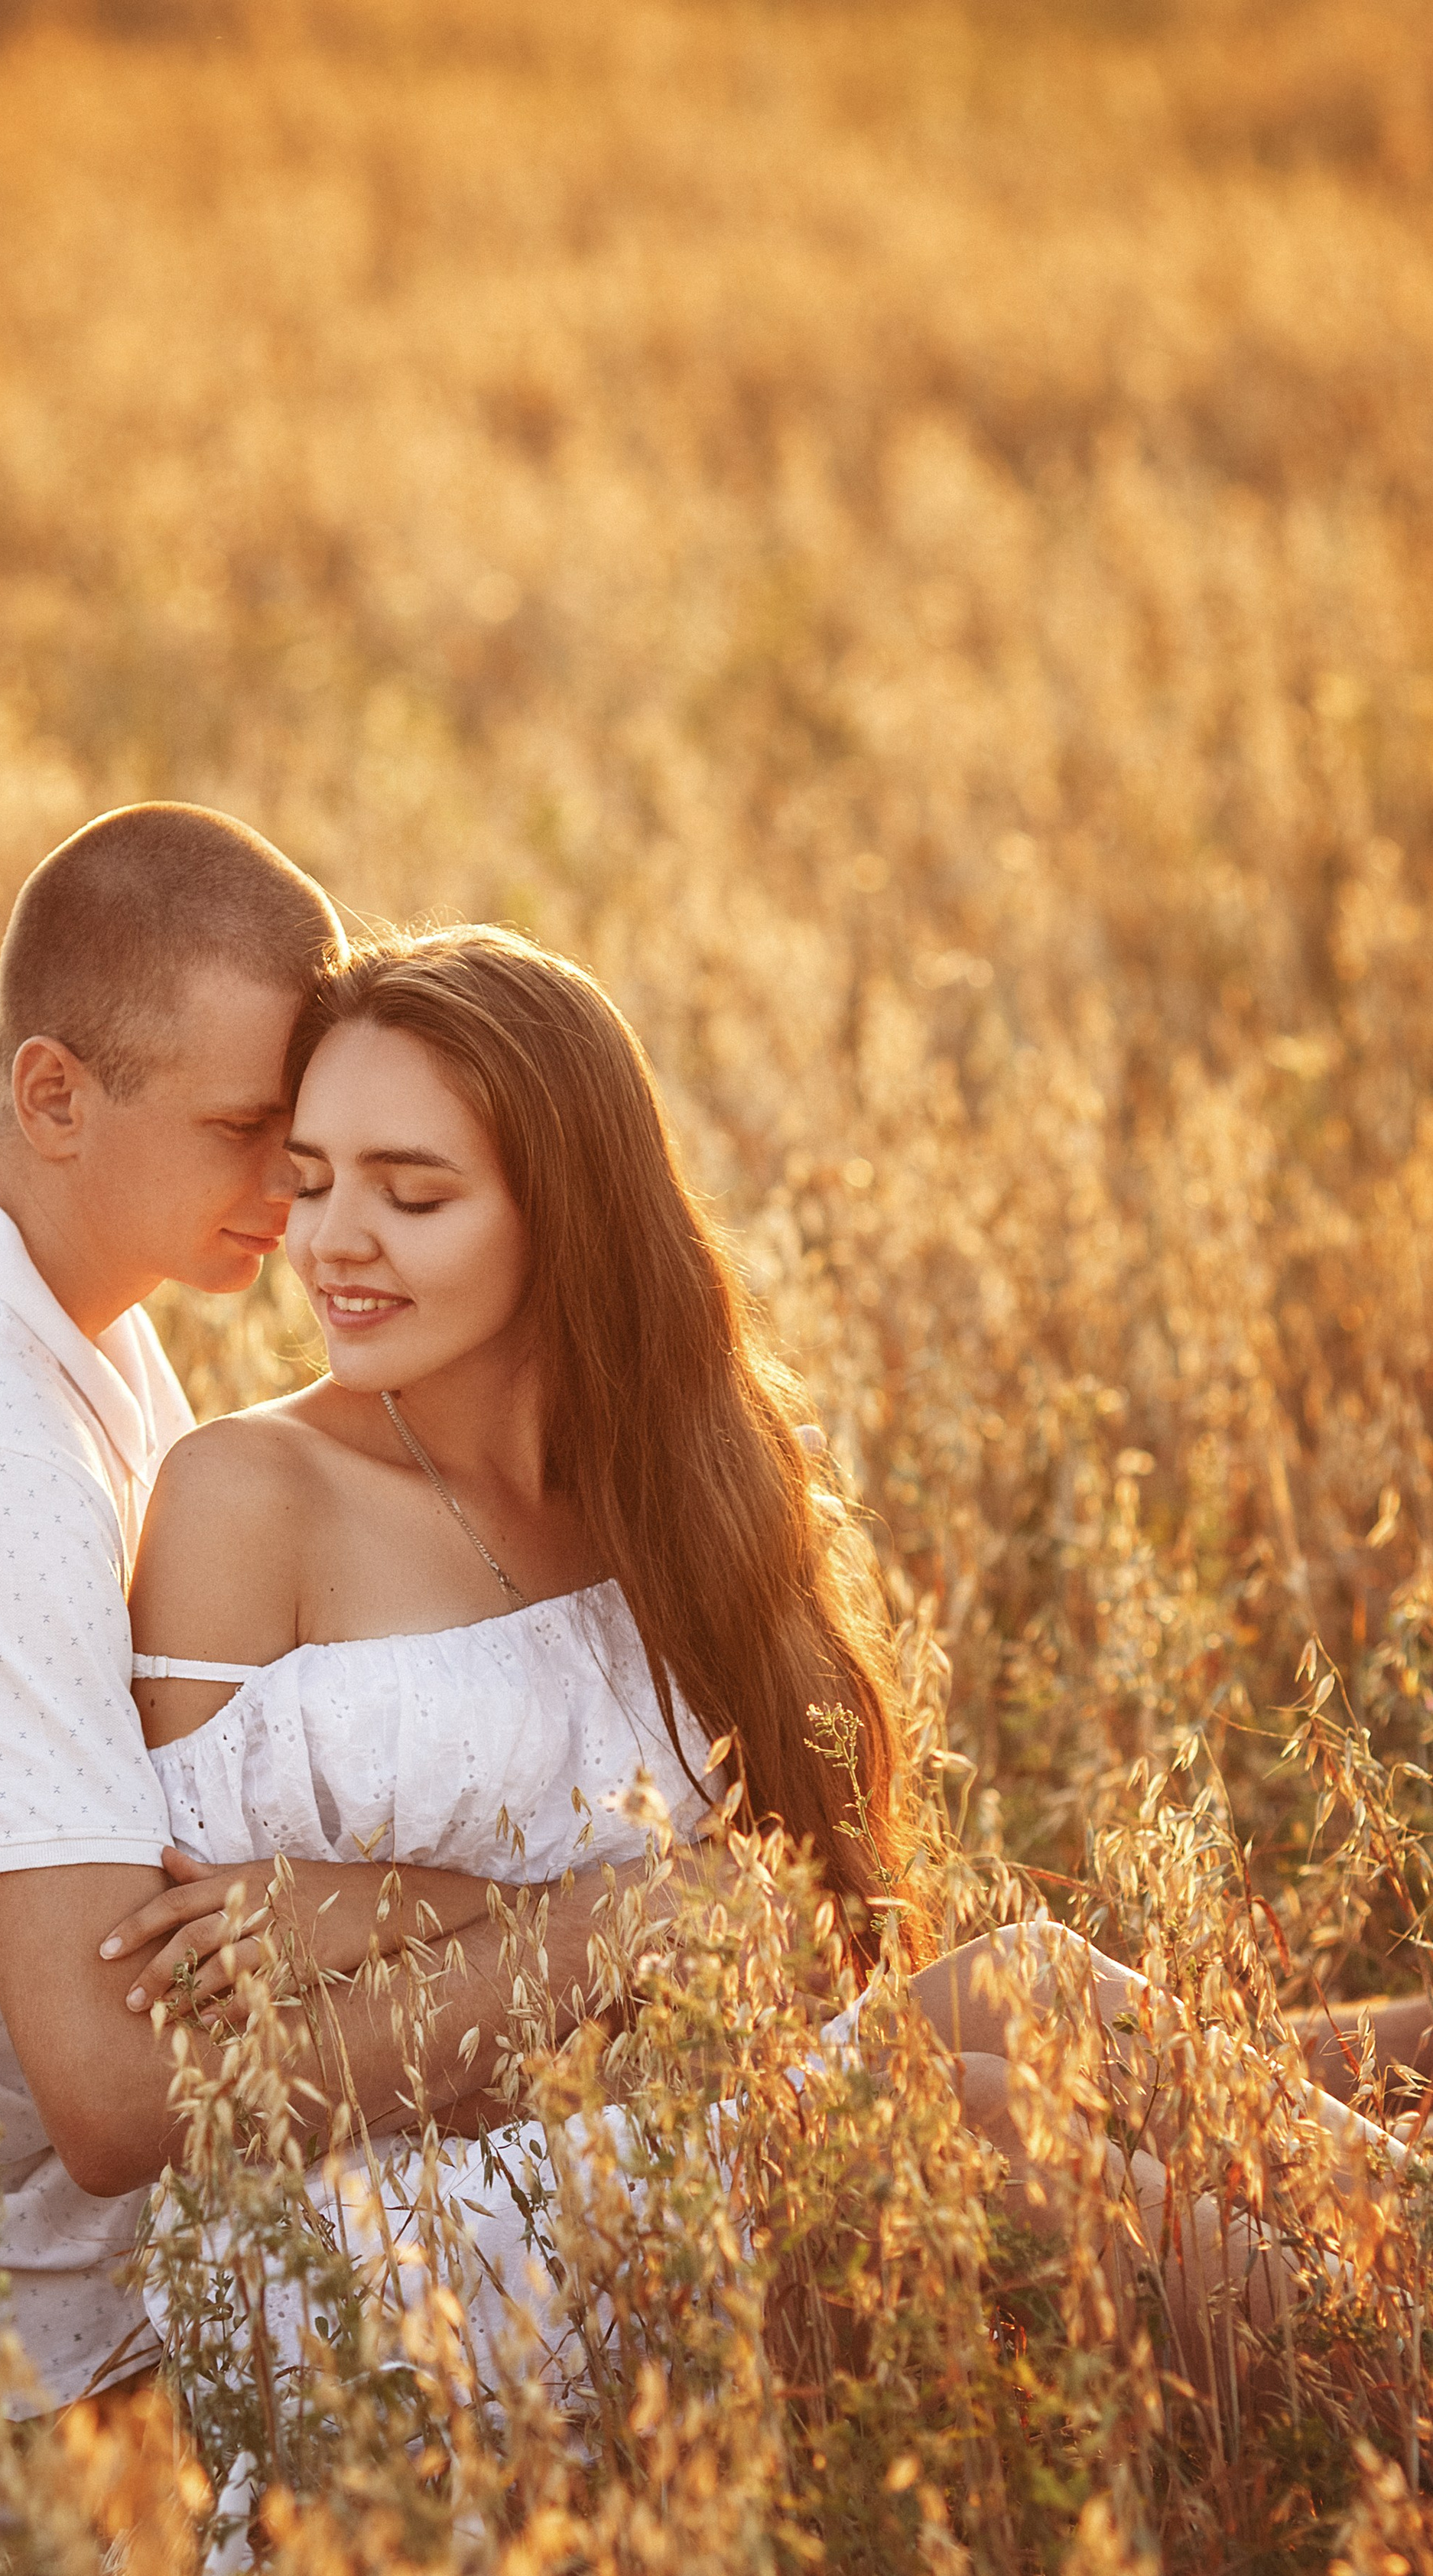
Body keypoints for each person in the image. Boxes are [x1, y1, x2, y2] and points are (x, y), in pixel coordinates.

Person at [112, 925, 1424, 2405]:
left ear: (567, 1217)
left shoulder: (673, 1483)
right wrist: (636, 1924)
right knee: (943, 2103)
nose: (333, 1241)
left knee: (1033, 1987)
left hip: (653, 2126)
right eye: (311, 1179)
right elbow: (206, 2060)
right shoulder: (247, 1496)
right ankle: (1390, 2378)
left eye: (411, 1193)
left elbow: (789, 1931)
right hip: (362, 2256)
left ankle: (1396, 2311)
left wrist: (443, 1915)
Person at [0, 808, 626, 2407]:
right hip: (6, 2365)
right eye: (246, 1130)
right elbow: (124, 2101)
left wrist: (382, 1899)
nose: (296, 1189)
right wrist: (599, 1934)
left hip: (123, 2269)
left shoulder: (79, 1321)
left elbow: (231, 1878)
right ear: (53, 1095)